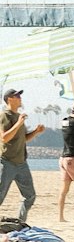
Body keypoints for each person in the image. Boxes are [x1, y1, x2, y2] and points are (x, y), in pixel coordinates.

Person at [0, 90, 44, 223]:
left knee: (30, 196)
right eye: (17, 96)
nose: (20, 98)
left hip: (21, 164)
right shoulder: (4, 116)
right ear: (9, 99)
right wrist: (18, 123)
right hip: (7, 163)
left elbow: (23, 138)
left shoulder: (19, 116)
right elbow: (4, 138)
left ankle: (20, 223)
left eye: (20, 96)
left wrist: (36, 132)